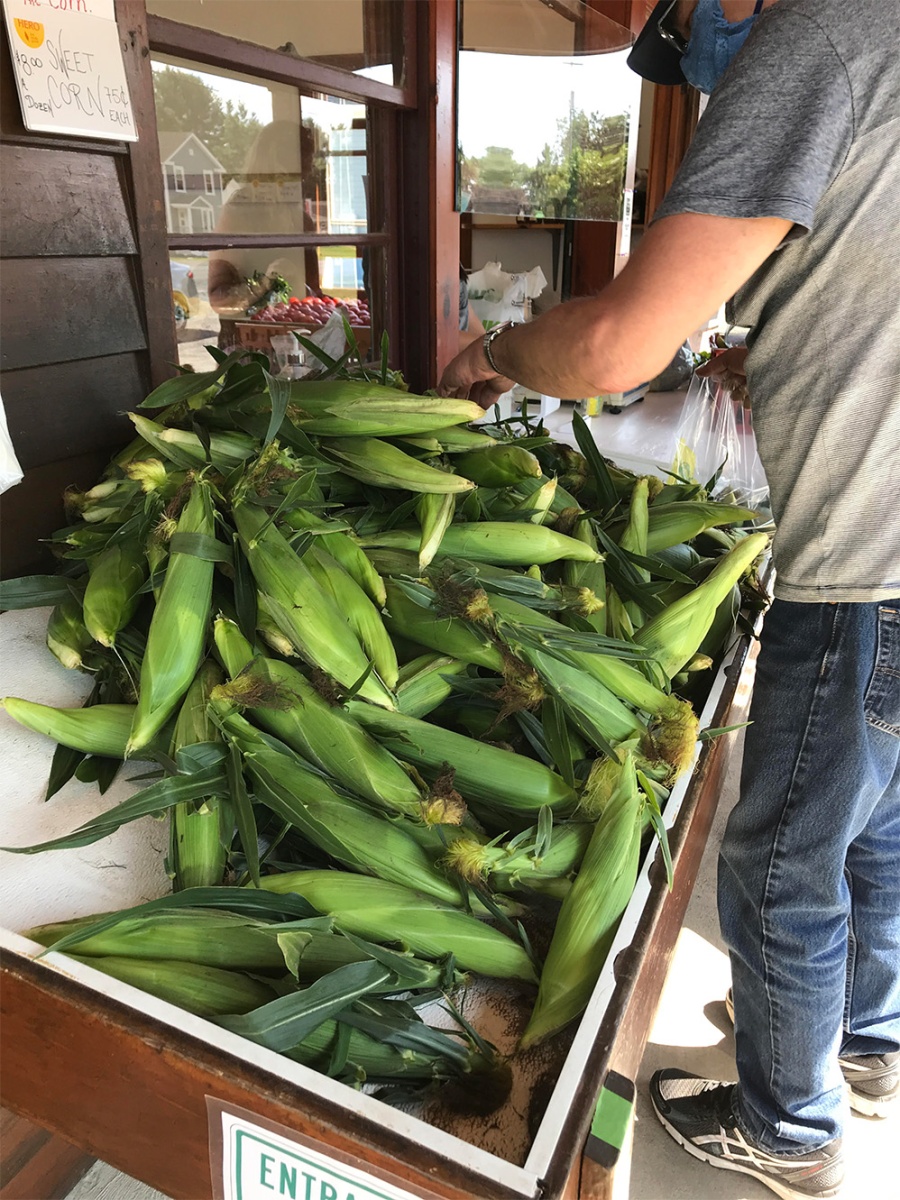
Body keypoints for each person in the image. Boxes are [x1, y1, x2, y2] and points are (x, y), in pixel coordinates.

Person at [439, 3, 900, 1197]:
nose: (680, 40)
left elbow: (610, 355)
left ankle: (790, 1128)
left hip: (867, 552)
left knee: (787, 852)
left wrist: (497, 353)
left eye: (680, 20)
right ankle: (868, 1041)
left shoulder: (818, 37)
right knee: (886, 821)